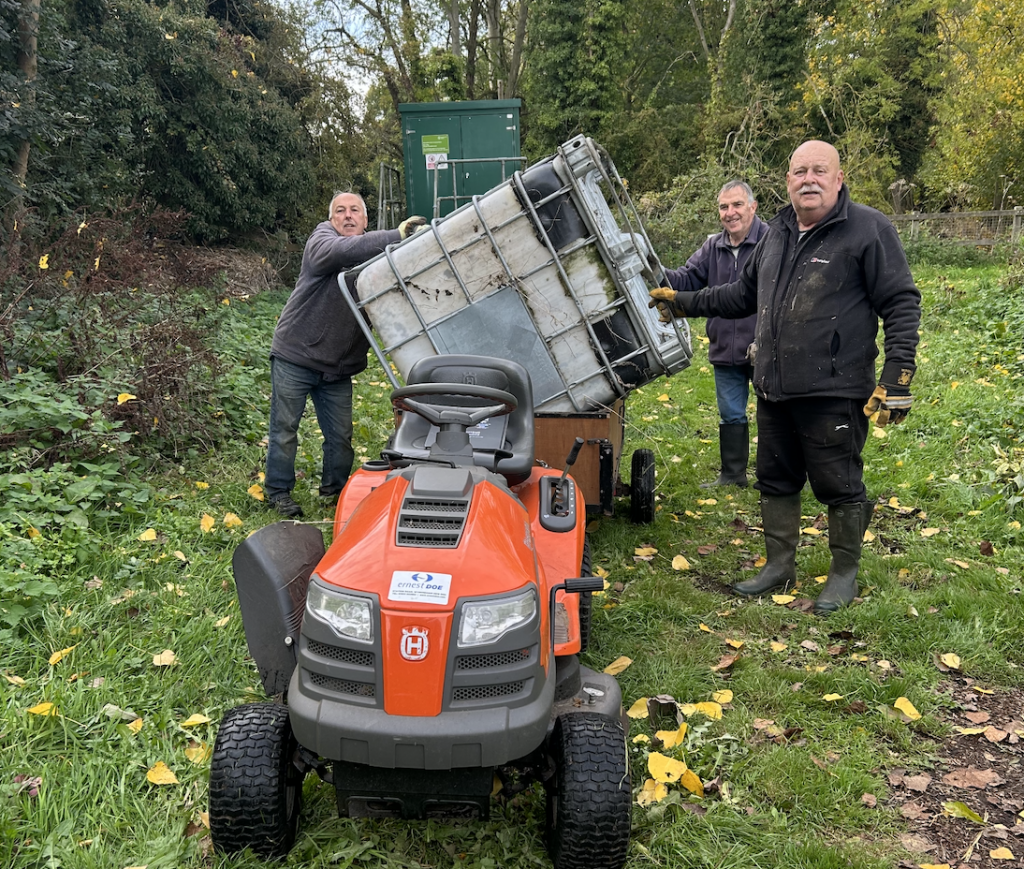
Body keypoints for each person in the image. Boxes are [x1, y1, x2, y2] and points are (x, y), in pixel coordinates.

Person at [649, 141, 920, 614]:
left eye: (819, 171)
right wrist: (683, 302)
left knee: (839, 482)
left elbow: (900, 302)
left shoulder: (869, 230)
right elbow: (740, 295)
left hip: (834, 389)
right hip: (773, 386)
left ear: (838, 179)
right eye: (799, 172)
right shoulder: (775, 233)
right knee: (775, 479)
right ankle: (779, 565)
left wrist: (897, 376)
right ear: (787, 180)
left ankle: (843, 574)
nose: (808, 180)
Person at [265, 193, 426, 517]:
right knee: (284, 431)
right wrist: (398, 235)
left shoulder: (378, 257)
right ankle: (278, 492)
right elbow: (340, 252)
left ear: (366, 221)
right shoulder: (322, 242)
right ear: (331, 219)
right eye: (340, 211)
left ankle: (335, 493)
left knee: (340, 437)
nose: (348, 216)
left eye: (355, 211)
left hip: (336, 369)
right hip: (296, 355)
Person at [662, 181, 768, 487]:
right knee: (731, 414)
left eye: (737, 205)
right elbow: (686, 278)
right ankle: (733, 475)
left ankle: (772, 477)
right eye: (724, 207)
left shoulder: (772, 241)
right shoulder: (713, 246)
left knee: (771, 417)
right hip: (725, 346)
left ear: (752, 206)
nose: (730, 213)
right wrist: (651, 268)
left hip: (765, 346)